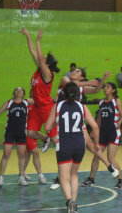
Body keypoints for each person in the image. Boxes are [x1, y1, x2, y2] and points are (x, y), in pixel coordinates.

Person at [49, 69, 119, 190]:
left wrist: (102, 80)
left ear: (81, 77)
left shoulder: (81, 88)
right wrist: (89, 82)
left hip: (75, 119)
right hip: (63, 120)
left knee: (90, 145)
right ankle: (60, 177)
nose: (73, 72)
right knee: (58, 142)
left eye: (77, 72)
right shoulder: (65, 80)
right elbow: (72, 85)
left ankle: (109, 166)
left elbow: (96, 90)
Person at [45, 82, 100, 213]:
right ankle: (74, 205)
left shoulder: (57, 106)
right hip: (79, 144)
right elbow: (96, 127)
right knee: (74, 174)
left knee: (64, 177)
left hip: (64, 144)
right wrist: (96, 143)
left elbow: (47, 127)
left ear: (63, 93)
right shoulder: (82, 107)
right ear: (77, 94)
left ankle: (69, 201)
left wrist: (55, 125)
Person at [20, 28, 60, 183]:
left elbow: (38, 55)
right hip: (37, 107)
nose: (40, 58)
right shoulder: (38, 71)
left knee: (57, 140)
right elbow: (32, 52)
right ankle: (45, 139)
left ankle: (65, 166)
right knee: (29, 132)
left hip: (47, 108)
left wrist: (38, 41)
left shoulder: (48, 74)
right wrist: (28, 36)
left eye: (43, 58)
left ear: (47, 64)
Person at [82, 82, 122, 189]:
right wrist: (94, 129)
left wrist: (120, 123)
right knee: (96, 155)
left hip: (113, 132)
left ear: (113, 90)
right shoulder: (101, 102)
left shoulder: (116, 101)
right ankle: (91, 179)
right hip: (103, 132)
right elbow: (99, 118)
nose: (105, 89)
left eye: (108, 87)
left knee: (110, 158)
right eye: (105, 87)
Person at [0, 87, 34, 186]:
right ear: (14, 93)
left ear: (23, 94)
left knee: (21, 155)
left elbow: (42, 100)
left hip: (21, 133)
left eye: (21, 90)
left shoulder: (26, 102)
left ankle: (21, 177)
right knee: (6, 155)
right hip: (10, 133)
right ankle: (0, 177)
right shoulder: (8, 103)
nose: (18, 91)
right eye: (16, 90)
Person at [23, 89, 46, 184]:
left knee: (28, 154)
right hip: (27, 132)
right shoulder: (27, 104)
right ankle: (40, 176)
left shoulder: (41, 106)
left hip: (35, 133)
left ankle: (22, 173)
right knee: (35, 152)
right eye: (33, 91)